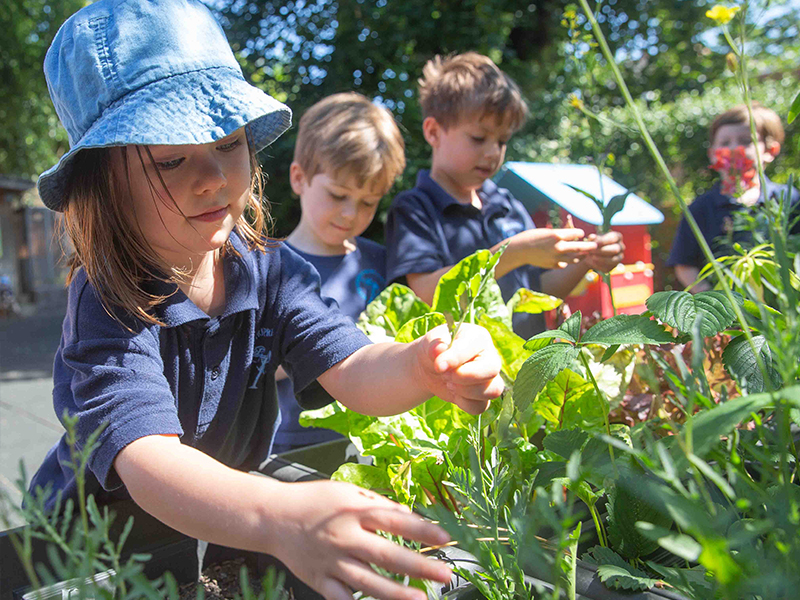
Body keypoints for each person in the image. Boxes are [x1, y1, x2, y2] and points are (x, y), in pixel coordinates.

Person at [27, 3, 505, 600]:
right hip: (91, 550)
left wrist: (421, 365)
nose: (214, 177)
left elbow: (355, 369)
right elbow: (147, 460)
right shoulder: (108, 299)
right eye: (171, 158)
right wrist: (278, 515)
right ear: (101, 184)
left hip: (222, 528)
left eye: (229, 143)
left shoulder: (273, 273)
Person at [384, 52, 625, 339]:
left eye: (502, 141)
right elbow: (426, 295)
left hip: (526, 360)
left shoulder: (506, 205)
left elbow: (540, 292)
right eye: (478, 138)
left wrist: (588, 261)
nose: (492, 152)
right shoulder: (414, 208)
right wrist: (512, 253)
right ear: (434, 132)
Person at [272, 92, 405, 454]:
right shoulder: (267, 265)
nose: (350, 214)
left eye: (368, 202)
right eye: (337, 195)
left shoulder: (383, 262)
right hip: (290, 446)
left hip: (376, 445)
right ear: (299, 178)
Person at [667, 102, 800, 292]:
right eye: (724, 143)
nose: (734, 149)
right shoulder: (700, 208)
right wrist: (718, 301)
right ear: (712, 154)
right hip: (725, 303)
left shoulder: (788, 199)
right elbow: (684, 265)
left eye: (745, 141)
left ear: (770, 150)